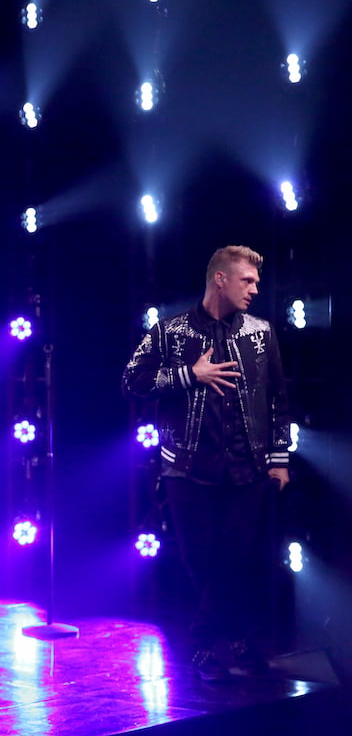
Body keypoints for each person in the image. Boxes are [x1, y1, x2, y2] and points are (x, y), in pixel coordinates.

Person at [123, 245, 290, 681]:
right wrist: (188, 375)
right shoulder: (171, 331)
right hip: (187, 467)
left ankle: (201, 644)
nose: (255, 289)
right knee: (201, 558)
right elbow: (131, 380)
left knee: (234, 557)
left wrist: (279, 458)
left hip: (248, 467)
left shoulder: (261, 332)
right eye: (247, 281)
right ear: (221, 279)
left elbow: (277, 398)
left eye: (256, 281)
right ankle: (232, 640)